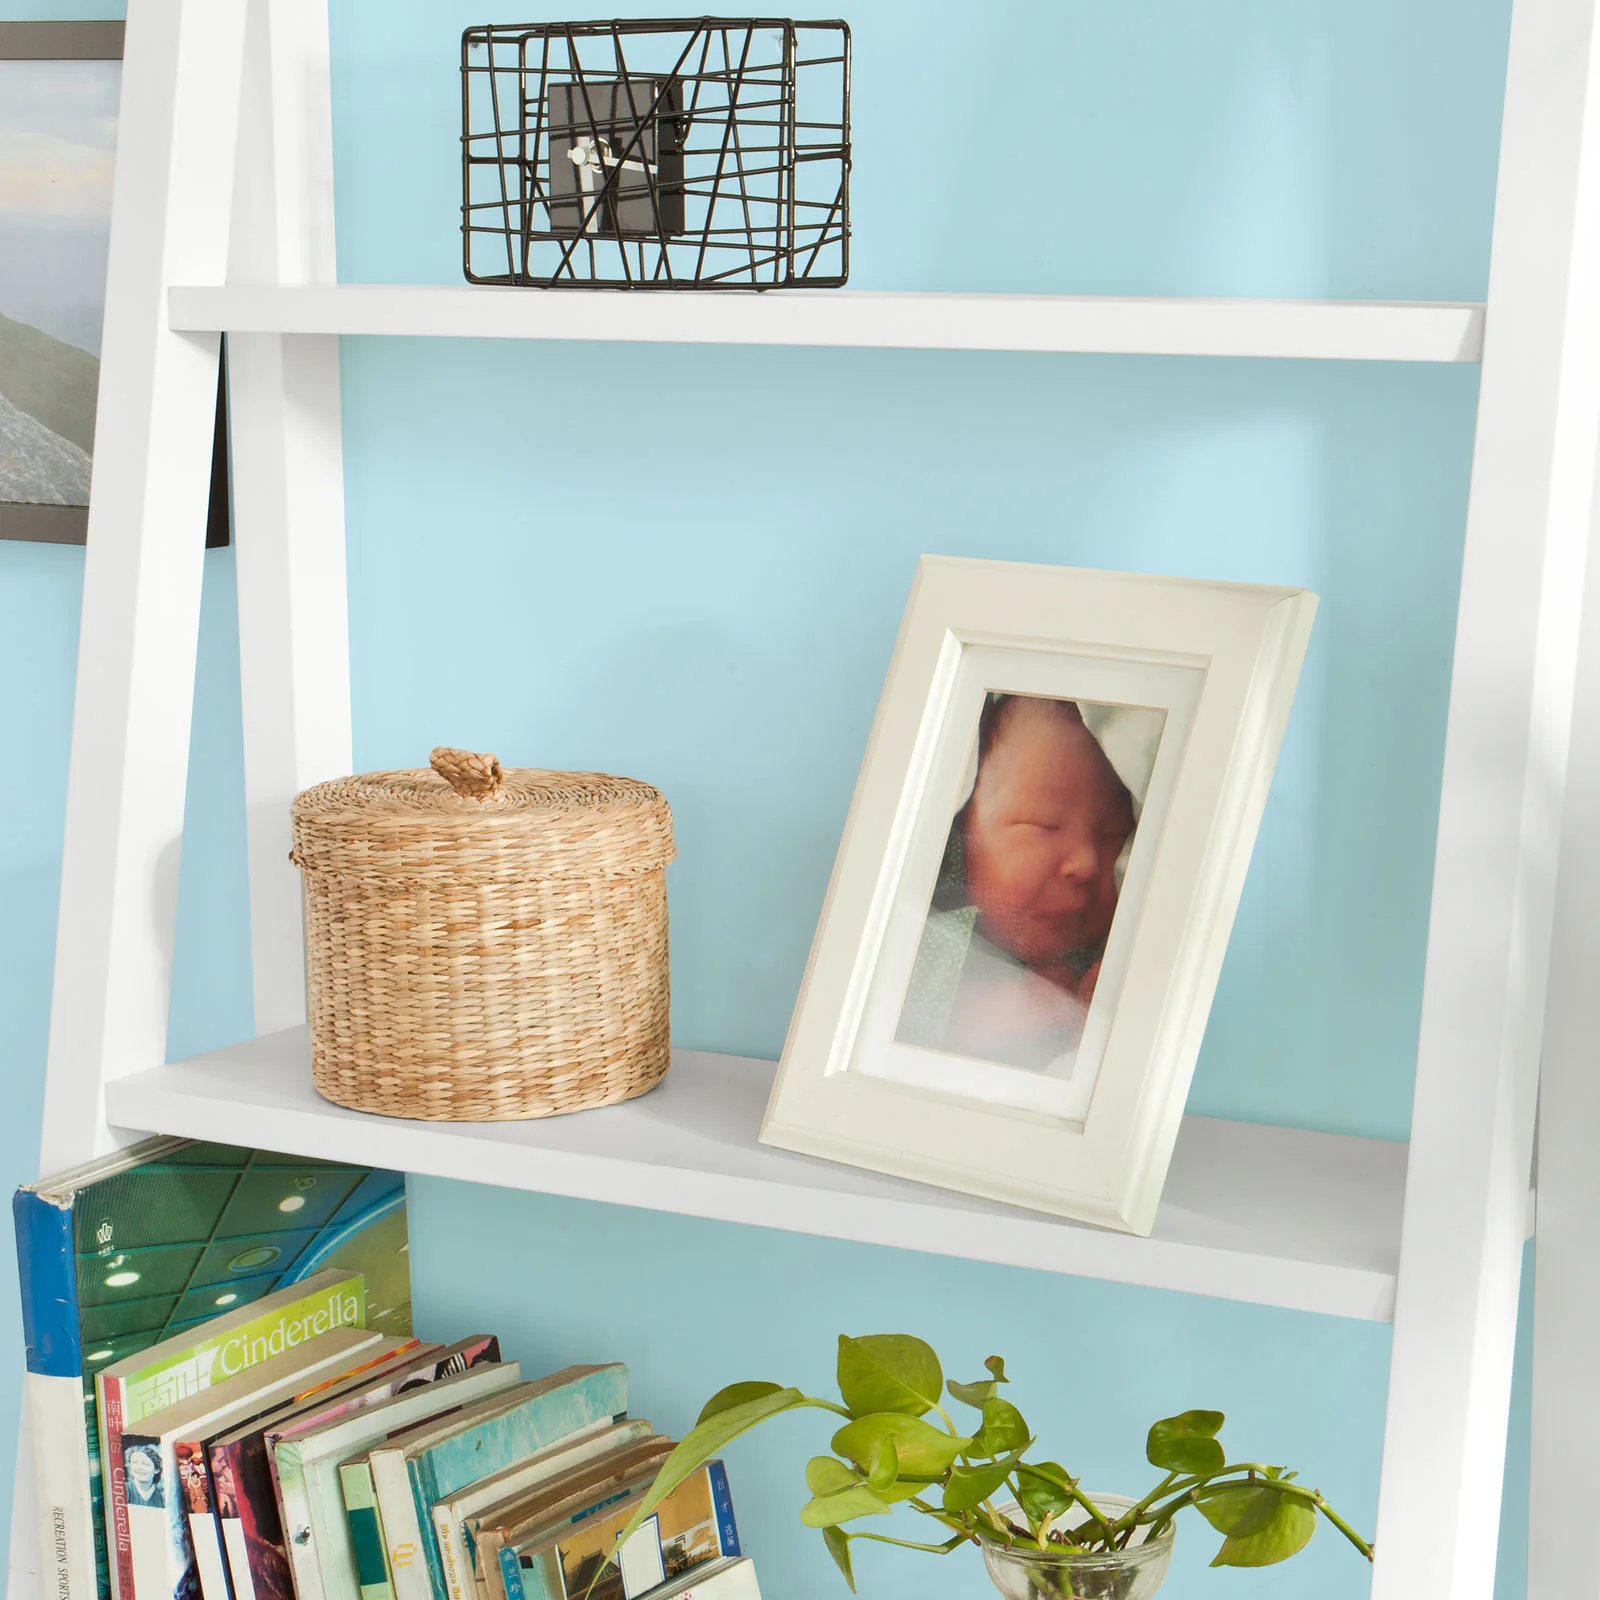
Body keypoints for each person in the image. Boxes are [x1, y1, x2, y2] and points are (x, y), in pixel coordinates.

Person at [897, 693, 1163, 1073]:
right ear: (964, 832)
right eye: (1043, 824)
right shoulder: (921, 940)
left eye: (1112, 835)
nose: (1087, 862)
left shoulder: (1112, 961)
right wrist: (1002, 1013)